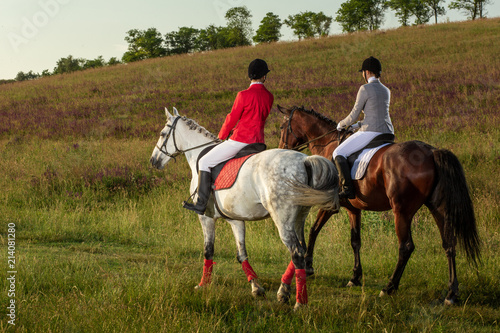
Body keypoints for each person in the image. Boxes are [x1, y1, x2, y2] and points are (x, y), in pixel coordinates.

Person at [183, 59, 274, 215]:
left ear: (249, 76)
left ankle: (201, 204)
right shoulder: (269, 96)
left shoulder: (243, 95)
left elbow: (232, 118)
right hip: (259, 143)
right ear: (264, 76)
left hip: (240, 141)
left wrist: (221, 136)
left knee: (204, 161)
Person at [333, 56, 394, 199]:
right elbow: (376, 115)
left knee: (338, 152)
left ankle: (348, 189)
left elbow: (354, 114)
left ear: (366, 72)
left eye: (363, 72)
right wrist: (356, 126)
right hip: (388, 132)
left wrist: (341, 124)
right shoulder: (386, 90)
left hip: (371, 132)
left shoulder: (364, 88)